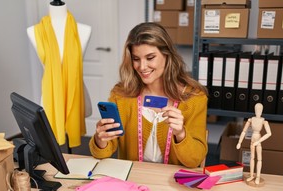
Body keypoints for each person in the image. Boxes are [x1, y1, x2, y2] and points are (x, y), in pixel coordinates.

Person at [89, 22, 208, 168]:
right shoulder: (121, 95)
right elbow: (101, 154)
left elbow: (194, 160)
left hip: (174, 185)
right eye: (136, 59)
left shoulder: (194, 98)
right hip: (133, 182)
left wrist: (181, 133)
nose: (142, 67)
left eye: (150, 58)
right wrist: (100, 140)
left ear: (167, 55)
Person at [27, 1, 92, 148]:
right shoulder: (35, 31)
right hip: (51, 95)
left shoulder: (82, 30)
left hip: (76, 92)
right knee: (53, 140)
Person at [236, 103, 272, 184]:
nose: (258, 111)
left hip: (258, 141)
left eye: (260, 110)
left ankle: (258, 176)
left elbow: (269, 133)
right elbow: (244, 131)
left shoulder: (264, 121)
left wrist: (259, 141)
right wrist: (239, 142)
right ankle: (252, 175)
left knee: (259, 159)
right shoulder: (251, 120)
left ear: (262, 111)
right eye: (257, 109)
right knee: (251, 158)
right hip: (252, 140)